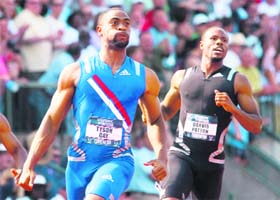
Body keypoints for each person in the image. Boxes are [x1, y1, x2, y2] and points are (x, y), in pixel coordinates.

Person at [12, 7, 168, 200]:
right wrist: (29, 165)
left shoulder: (144, 76)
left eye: (127, 24)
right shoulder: (76, 72)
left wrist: (162, 156)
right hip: (79, 162)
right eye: (115, 23)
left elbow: (154, 120)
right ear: (99, 30)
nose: (122, 27)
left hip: (118, 160)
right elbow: (52, 121)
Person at [159, 26, 263, 200]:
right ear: (202, 45)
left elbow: (256, 126)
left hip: (212, 162)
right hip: (181, 154)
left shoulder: (237, 81)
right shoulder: (182, 76)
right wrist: (145, 100)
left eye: (224, 41)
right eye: (214, 39)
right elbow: (165, 113)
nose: (219, 43)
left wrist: (233, 109)